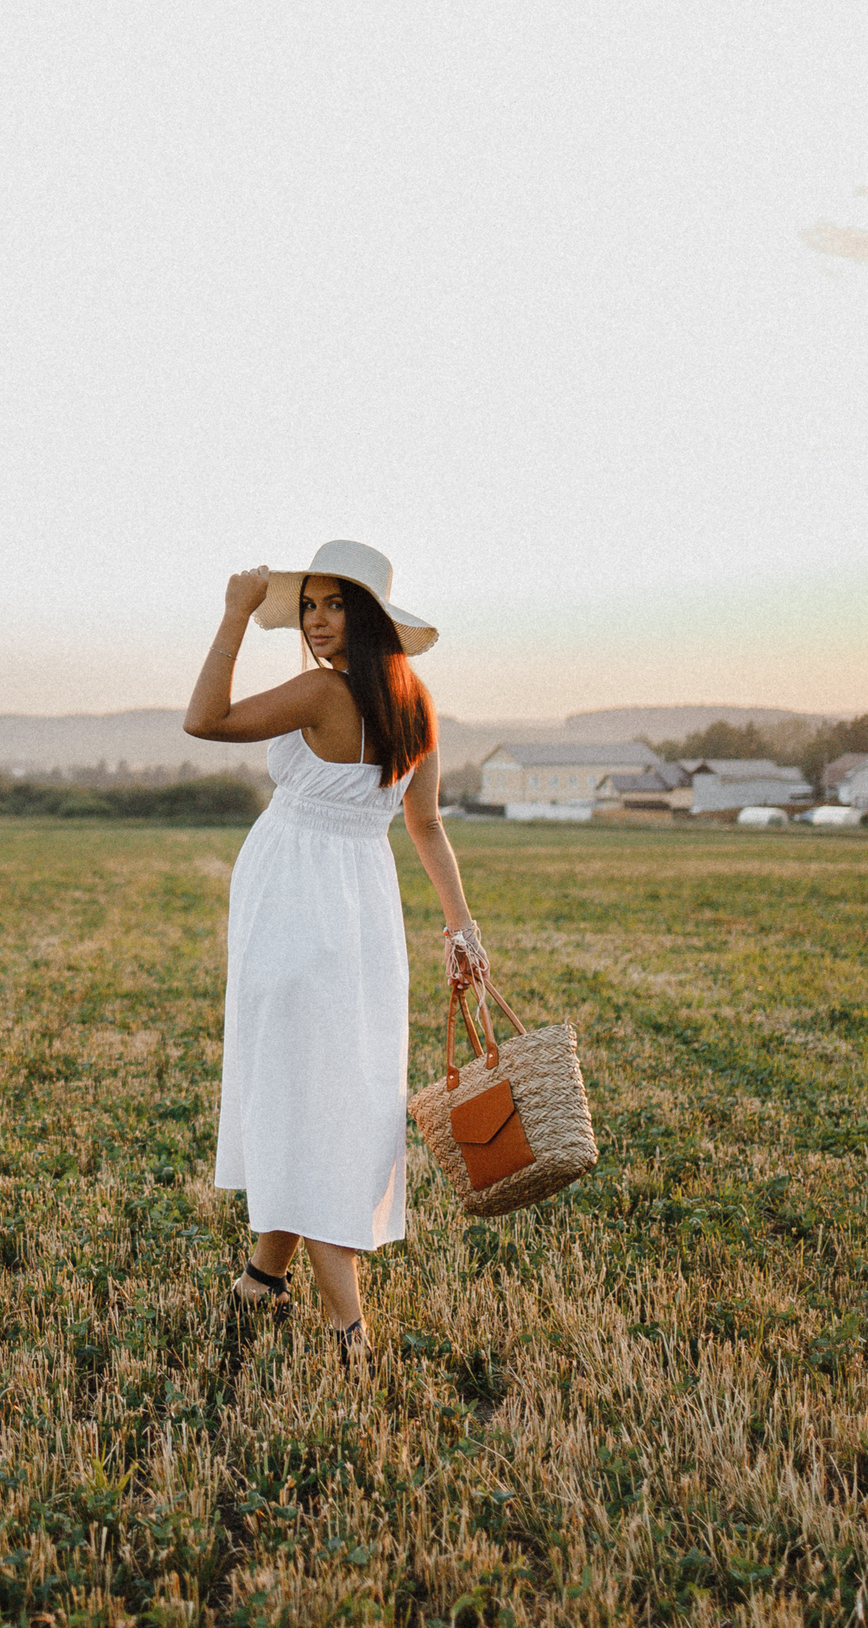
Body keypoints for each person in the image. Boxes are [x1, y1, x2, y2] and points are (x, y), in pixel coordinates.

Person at [181, 540, 485, 1368]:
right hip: (363, 916)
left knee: (300, 1101)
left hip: (295, 912)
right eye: (307, 605)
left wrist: (235, 612)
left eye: (332, 604)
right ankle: (259, 1282)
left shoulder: (323, 691)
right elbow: (424, 824)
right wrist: (461, 928)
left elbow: (204, 720)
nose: (315, 621)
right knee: (329, 1093)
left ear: (371, 617)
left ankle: (350, 1330)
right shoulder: (415, 702)